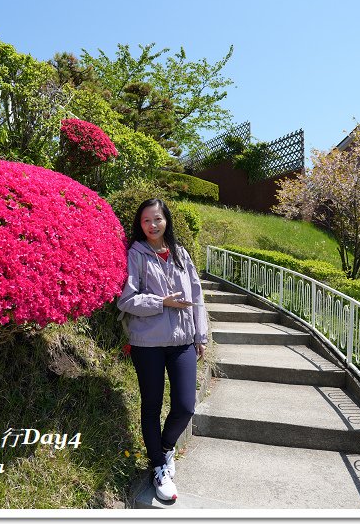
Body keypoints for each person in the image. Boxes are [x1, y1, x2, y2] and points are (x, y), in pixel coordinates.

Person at [117, 198, 208, 502]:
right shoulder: (136, 254)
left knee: (185, 406)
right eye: (146, 221)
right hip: (148, 344)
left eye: (157, 219)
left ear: (166, 220)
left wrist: (201, 335)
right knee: (152, 405)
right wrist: (161, 303)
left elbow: (197, 295)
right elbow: (126, 301)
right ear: (139, 224)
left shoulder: (181, 255)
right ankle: (157, 466)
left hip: (183, 340)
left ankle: (164, 449)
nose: (152, 225)